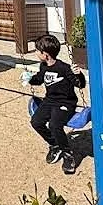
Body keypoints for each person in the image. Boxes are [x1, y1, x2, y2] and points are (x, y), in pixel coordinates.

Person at [27, 33, 86, 173]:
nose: (35, 52)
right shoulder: (43, 66)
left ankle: (67, 154)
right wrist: (29, 79)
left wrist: (78, 74)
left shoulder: (64, 68)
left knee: (54, 125)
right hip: (50, 101)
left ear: (45, 54)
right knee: (36, 122)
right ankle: (54, 144)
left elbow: (80, 84)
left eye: (37, 50)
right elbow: (39, 79)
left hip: (66, 103)